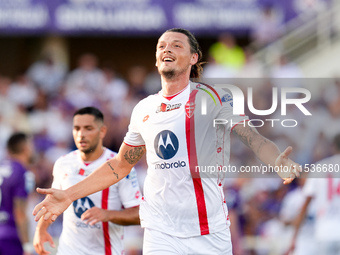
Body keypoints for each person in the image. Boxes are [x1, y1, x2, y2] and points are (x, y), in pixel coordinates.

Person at [33, 28, 300, 254]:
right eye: (161, 46)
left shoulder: (213, 98)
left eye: (176, 45)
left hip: (208, 230)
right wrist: (68, 195)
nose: (166, 49)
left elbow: (252, 137)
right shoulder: (144, 108)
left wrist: (275, 159)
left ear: (194, 57)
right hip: (160, 230)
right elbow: (119, 166)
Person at [33, 107, 141, 255]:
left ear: (102, 131)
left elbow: (139, 215)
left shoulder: (120, 166)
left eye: (88, 128)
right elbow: (53, 202)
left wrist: (107, 214)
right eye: (77, 128)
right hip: (68, 251)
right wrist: (41, 230)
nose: (81, 134)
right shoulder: (63, 163)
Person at [287, 133, 340, 255]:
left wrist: (294, 238)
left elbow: (304, 206)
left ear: (333, 147)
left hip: (325, 232)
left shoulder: (319, 167)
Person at [0, 132, 35, 255]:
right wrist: (26, 245)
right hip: (11, 235)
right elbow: (20, 212)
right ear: (25, 148)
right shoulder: (23, 173)